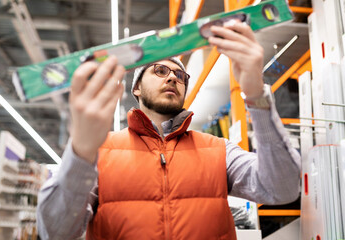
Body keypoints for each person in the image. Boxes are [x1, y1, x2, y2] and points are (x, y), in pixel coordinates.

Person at [37, 20, 300, 240]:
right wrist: (81, 150)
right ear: (136, 88)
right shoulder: (100, 152)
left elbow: (283, 188)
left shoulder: (218, 150)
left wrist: (256, 95)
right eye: (160, 70)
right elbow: (56, 231)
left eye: (180, 75)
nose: (173, 77)